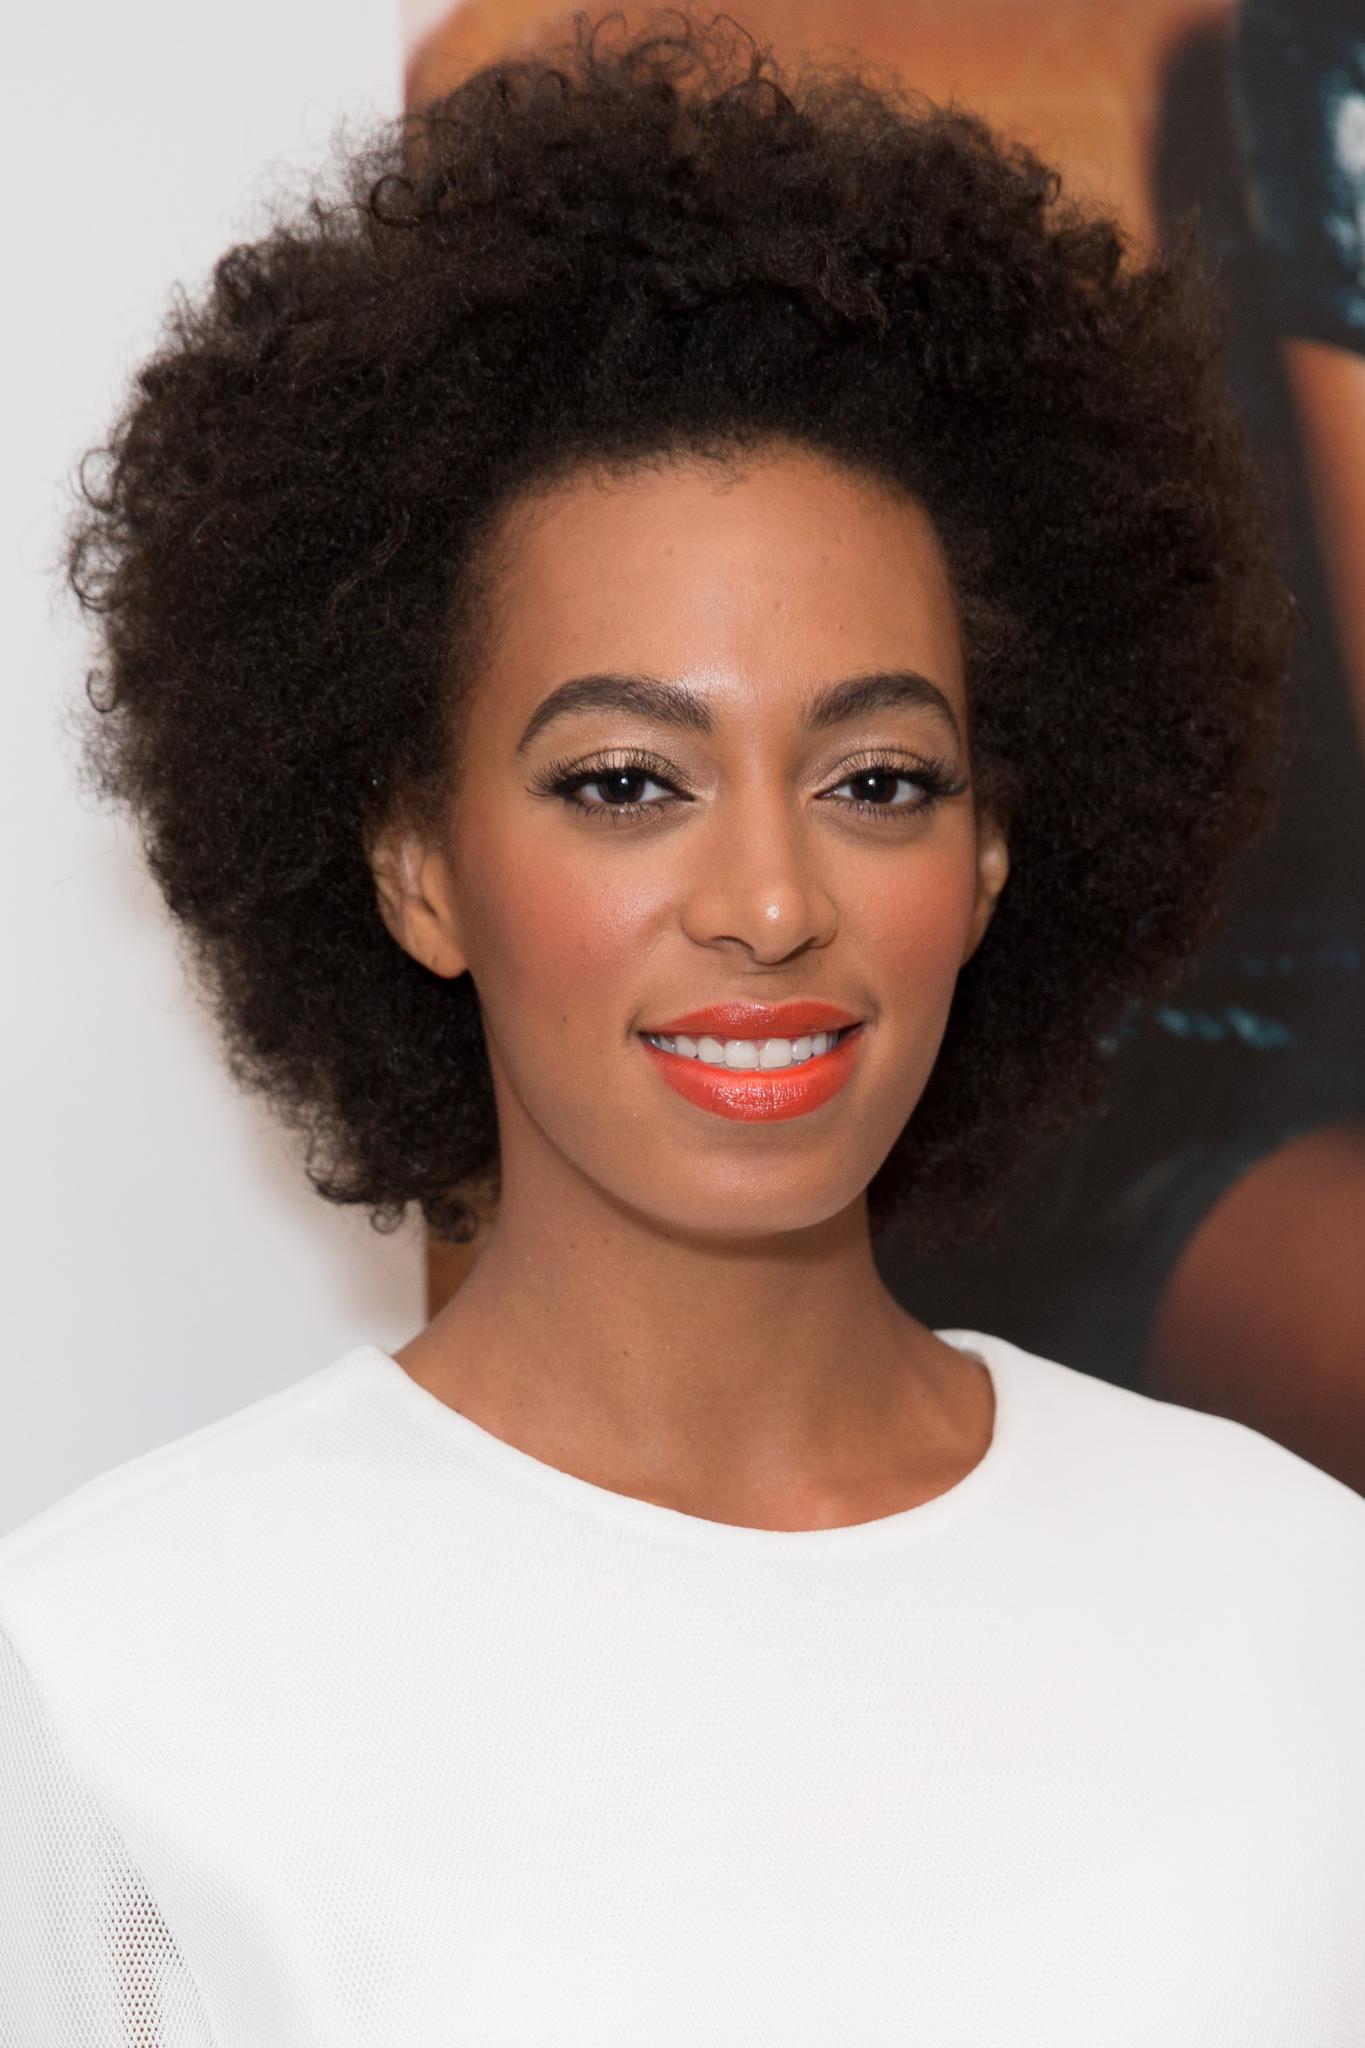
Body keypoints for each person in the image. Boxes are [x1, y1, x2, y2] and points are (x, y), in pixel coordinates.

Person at [3, 9, 1363, 2041]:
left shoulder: (1297, 1604)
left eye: (877, 780)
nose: (767, 900)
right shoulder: (115, 1681)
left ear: (994, 855)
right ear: (415, 867)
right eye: (624, 781)